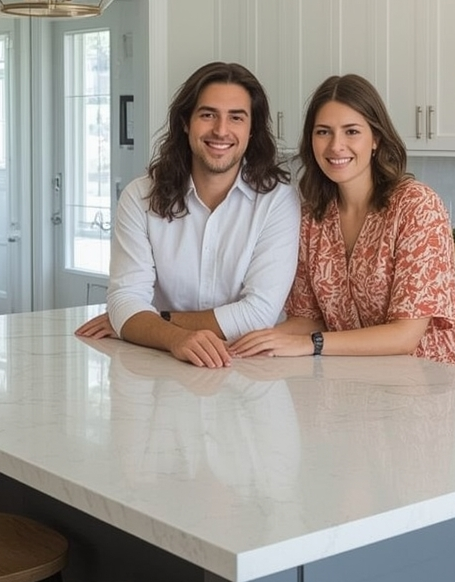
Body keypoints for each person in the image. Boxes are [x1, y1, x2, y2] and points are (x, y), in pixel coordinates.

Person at [230, 73, 455, 371]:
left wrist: (311, 344)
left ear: (376, 138)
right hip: (365, 380)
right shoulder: (312, 217)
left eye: (351, 131)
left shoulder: (416, 206)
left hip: (439, 380)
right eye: (323, 132)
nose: (335, 146)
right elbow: (309, 318)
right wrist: (248, 345)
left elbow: (405, 335)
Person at [75, 61, 300, 367]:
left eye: (236, 117)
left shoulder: (277, 200)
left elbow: (258, 313)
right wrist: (173, 338)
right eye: (208, 115)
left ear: (251, 130)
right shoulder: (139, 197)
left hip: (250, 370)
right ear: (185, 122)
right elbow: (124, 301)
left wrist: (154, 321)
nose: (221, 130)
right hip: (159, 365)